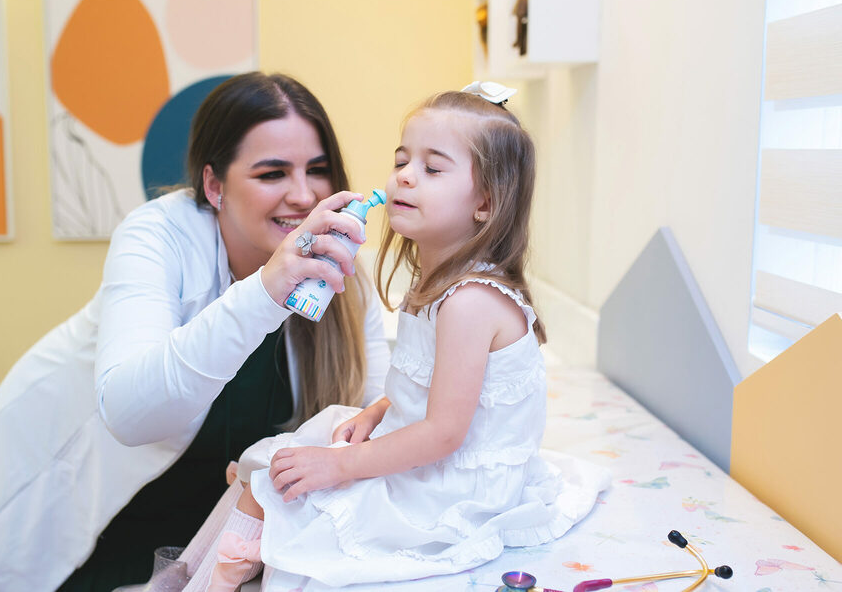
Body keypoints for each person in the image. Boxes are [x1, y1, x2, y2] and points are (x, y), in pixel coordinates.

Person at [168, 81, 612, 591]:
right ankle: (199, 573)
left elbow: (444, 434)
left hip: (456, 490)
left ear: (486, 203)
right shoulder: (438, 284)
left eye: (432, 168)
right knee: (278, 467)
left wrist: (341, 467)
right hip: (435, 458)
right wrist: (379, 410)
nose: (404, 175)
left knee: (279, 485)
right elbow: (431, 391)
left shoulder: (469, 303)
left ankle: (211, 576)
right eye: (402, 160)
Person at [0, 72, 390, 592]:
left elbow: (372, 421)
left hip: (215, 526)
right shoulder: (157, 236)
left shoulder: (341, 276)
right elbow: (132, 412)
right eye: (272, 173)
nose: (303, 194)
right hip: (92, 522)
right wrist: (265, 291)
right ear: (214, 186)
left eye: (317, 170)